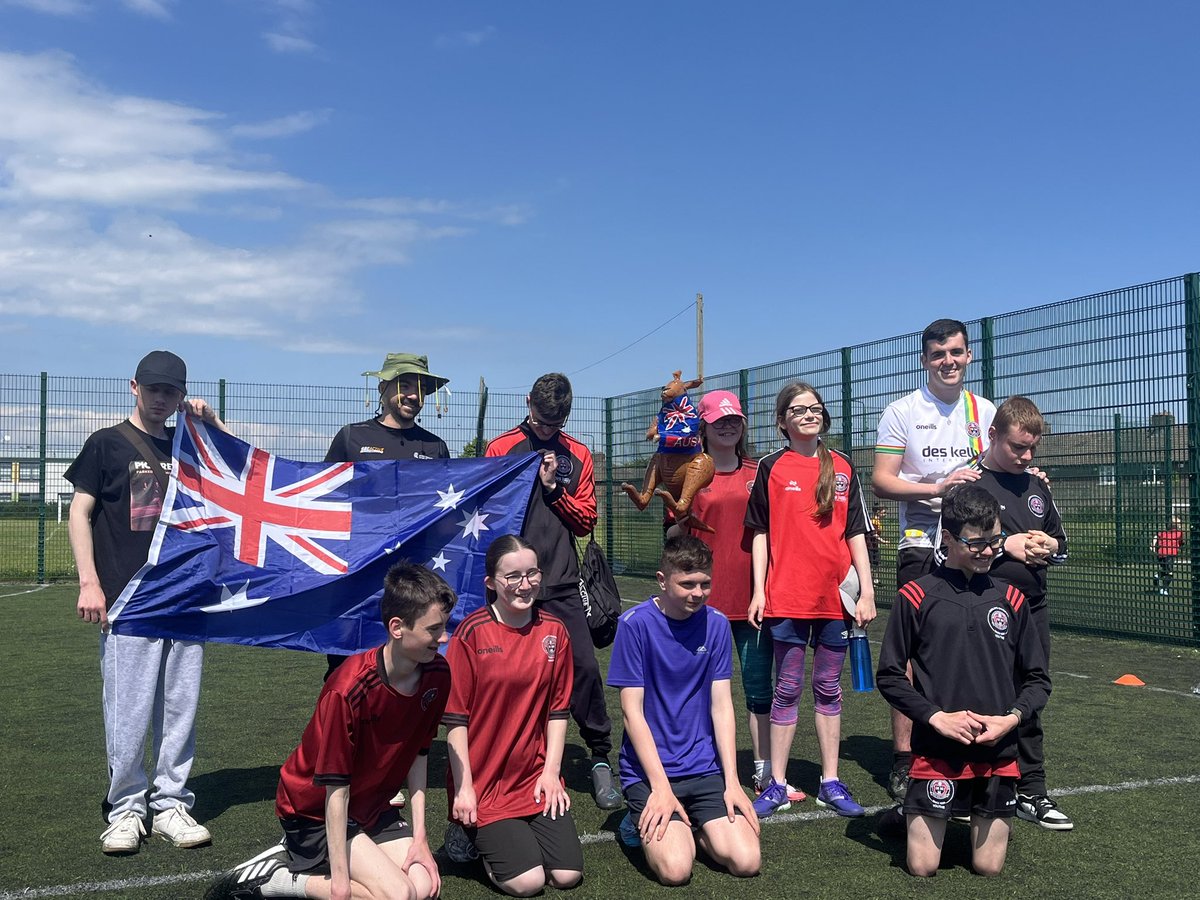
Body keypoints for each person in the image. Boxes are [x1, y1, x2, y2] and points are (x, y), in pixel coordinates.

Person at [204, 562, 454, 900]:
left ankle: (331, 867)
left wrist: (421, 838)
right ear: (397, 627)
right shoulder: (348, 688)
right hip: (313, 812)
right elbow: (335, 791)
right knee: (398, 896)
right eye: (434, 629)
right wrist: (338, 882)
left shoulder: (437, 674)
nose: (445, 637)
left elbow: (420, 754)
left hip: (371, 807)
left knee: (425, 888)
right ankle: (280, 880)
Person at [66, 350, 228, 855]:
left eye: (171, 392)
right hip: (129, 600)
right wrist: (89, 581)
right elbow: (79, 512)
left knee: (180, 708)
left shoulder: (190, 447)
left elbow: (239, 474)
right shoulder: (106, 444)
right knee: (129, 709)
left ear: (182, 395)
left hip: (184, 599)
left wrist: (212, 422)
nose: (161, 399)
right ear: (133, 386)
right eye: (153, 389)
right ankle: (126, 808)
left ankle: (172, 803)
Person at [877, 484, 1050, 877]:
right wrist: (936, 717)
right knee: (922, 867)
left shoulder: (1013, 598)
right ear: (949, 537)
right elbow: (889, 675)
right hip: (937, 749)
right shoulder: (916, 596)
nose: (989, 551)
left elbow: (1038, 681)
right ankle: (908, 813)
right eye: (976, 543)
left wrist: (1010, 719)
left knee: (988, 868)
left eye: (996, 540)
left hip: (998, 751)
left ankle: (962, 809)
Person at [872, 318, 997, 802]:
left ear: (968, 357)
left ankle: (973, 745)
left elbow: (1000, 467)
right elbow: (882, 480)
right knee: (909, 655)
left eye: (957, 352)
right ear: (925, 360)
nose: (949, 361)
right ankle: (906, 758)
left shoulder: (983, 411)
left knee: (975, 645)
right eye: (939, 354)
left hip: (976, 546)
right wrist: (936, 489)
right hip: (921, 543)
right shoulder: (902, 411)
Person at [486, 373, 621, 810]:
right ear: (528, 403)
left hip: (561, 582)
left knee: (583, 670)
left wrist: (554, 489)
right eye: (542, 420)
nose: (547, 429)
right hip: (509, 585)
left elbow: (585, 520)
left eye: (555, 422)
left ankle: (600, 758)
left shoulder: (578, 453)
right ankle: (510, 762)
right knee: (506, 676)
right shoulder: (501, 448)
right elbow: (487, 516)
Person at [667, 389, 806, 805]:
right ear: (703, 426)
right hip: (701, 600)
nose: (728, 425)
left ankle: (765, 772)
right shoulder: (688, 472)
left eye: (735, 419)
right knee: (696, 688)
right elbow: (673, 537)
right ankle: (694, 764)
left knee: (759, 687)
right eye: (718, 419)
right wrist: (678, 516)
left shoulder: (759, 470)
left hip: (754, 598)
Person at [745, 382, 876, 819]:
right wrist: (760, 590)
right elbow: (759, 532)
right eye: (797, 410)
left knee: (828, 688)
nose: (808, 414)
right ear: (782, 421)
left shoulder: (842, 466)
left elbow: (856, 532)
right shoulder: (770, 466)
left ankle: (830, 782)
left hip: (835, 600)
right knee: (785, 688)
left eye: (814, 408)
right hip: (787, 596)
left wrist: (869, 590)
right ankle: (777, 784)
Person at [943, 397, 1070, 830]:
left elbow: (1062, 545)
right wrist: (1005, 547)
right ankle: (966, 787)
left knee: (1030, 696)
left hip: (1032, 608)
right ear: (994, 435)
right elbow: (949, 555)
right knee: (974, 696)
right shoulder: (970, 485)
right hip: (980, 608)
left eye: (1033, 448)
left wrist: (1052, 548)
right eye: (1018, 447)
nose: (1027, 456)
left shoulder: (1036, 485)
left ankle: (1031, 790)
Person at [607, 535, 761, 885]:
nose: (698, 592)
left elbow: (722, 707)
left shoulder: (717, 624)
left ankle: (693, 825)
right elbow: (633, 714)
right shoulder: (634, 625)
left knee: (747, 861)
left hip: (703, 768)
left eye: (705, 583)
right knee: (676, 871)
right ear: (662, 580)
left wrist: (733, 782)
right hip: (650, 773)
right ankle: (637, 821)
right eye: (687, 584)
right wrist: (660, 787)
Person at [442, 535, 584, 896]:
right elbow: (455, 720)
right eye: (513, 576)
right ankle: (467, 836)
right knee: (529, 882)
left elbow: (557, 711)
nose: (525, 584)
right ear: (491, 583)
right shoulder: (471, 633)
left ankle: (513, 831)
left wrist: (551, 774)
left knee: (567, 876)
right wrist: (464, 789)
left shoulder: (554, 631)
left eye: (532, 573)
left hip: (533, 777)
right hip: (485, 783)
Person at [323, 352, 451, 680]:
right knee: (347, 669)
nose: (412, 395)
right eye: (404, 384)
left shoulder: (435, 447)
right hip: (357, 576)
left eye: (420, 388)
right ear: (383, 386)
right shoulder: (352, 438)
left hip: (414, 581)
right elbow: (320, 499)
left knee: (409, 671)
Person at [1153, 517, 1184, 595]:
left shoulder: (1163, 532)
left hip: (1160, 554)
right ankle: (1164, 589)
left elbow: (1156, 537)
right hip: (1169, 554)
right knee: (1169, 573)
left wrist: (1153, 546)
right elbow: (1181, 542)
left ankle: (1157, 576)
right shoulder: (1179, 532)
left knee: (1165, 569)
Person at [867, 504, 888, 585]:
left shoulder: (878, 521)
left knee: (876, 563)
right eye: (884, 512)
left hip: (874, 545)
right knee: (872, 564)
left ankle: (875, 580)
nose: (885, 514)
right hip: (871, 546)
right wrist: (883, 541)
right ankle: (872, 580)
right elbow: (874, 534)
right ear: (878, 512)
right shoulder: (874, 521)